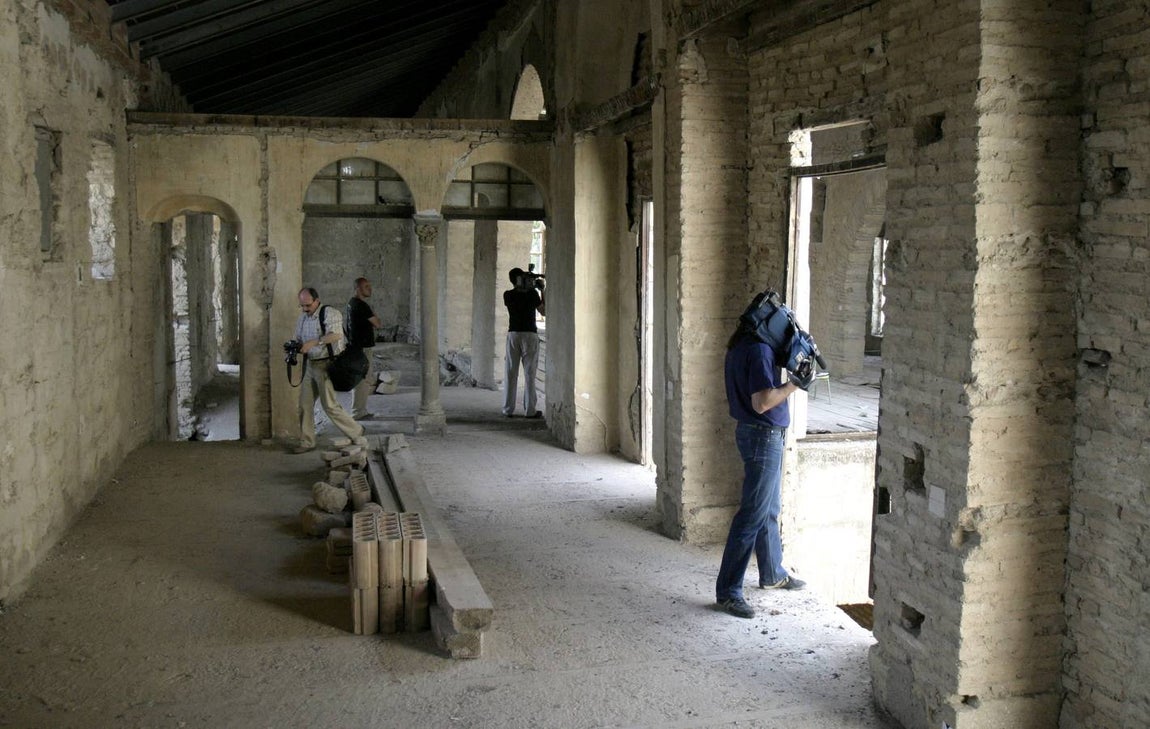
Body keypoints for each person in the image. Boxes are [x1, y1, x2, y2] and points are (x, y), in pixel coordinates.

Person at [714, 314, 810, 619]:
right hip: (763, 436)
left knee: (768, 508)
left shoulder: (742, 344)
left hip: (758, 434)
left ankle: (772, 573)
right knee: (752, 515)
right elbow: (763, 402)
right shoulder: (759, 350)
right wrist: (795, 383)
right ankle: (728, 592)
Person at [291, 287, 367, 454]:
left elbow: (336, 335)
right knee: (304, 404)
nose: (305, 309)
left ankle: (356, 431)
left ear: (317, 301)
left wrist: (314, 342)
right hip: (310, 364)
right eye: (302, 306)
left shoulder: (329, 313)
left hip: (326, 364)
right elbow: (299, 338)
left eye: (308, 305)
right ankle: (307, 442)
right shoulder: (302, 318)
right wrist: (295, 347)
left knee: (330, 406)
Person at [501, 267, 545, 418]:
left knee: (510, 372)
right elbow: (544, 311)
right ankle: (530, 410)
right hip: (530, 335)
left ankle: (508, 409)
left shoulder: (508, 295)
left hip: (513, 334)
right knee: (530, 373)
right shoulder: (532, 294)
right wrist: (542, 291)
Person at [346, 277, 382, 420]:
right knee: (363, 379)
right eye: (366, 286)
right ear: (358, 289)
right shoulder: (361, 305)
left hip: (355, 346)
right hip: (362, 348)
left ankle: (359, 410)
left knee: (361, 378)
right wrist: (374, 314)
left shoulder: (351, 303)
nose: (370, 289)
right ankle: (358, 412)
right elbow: (378, 324)